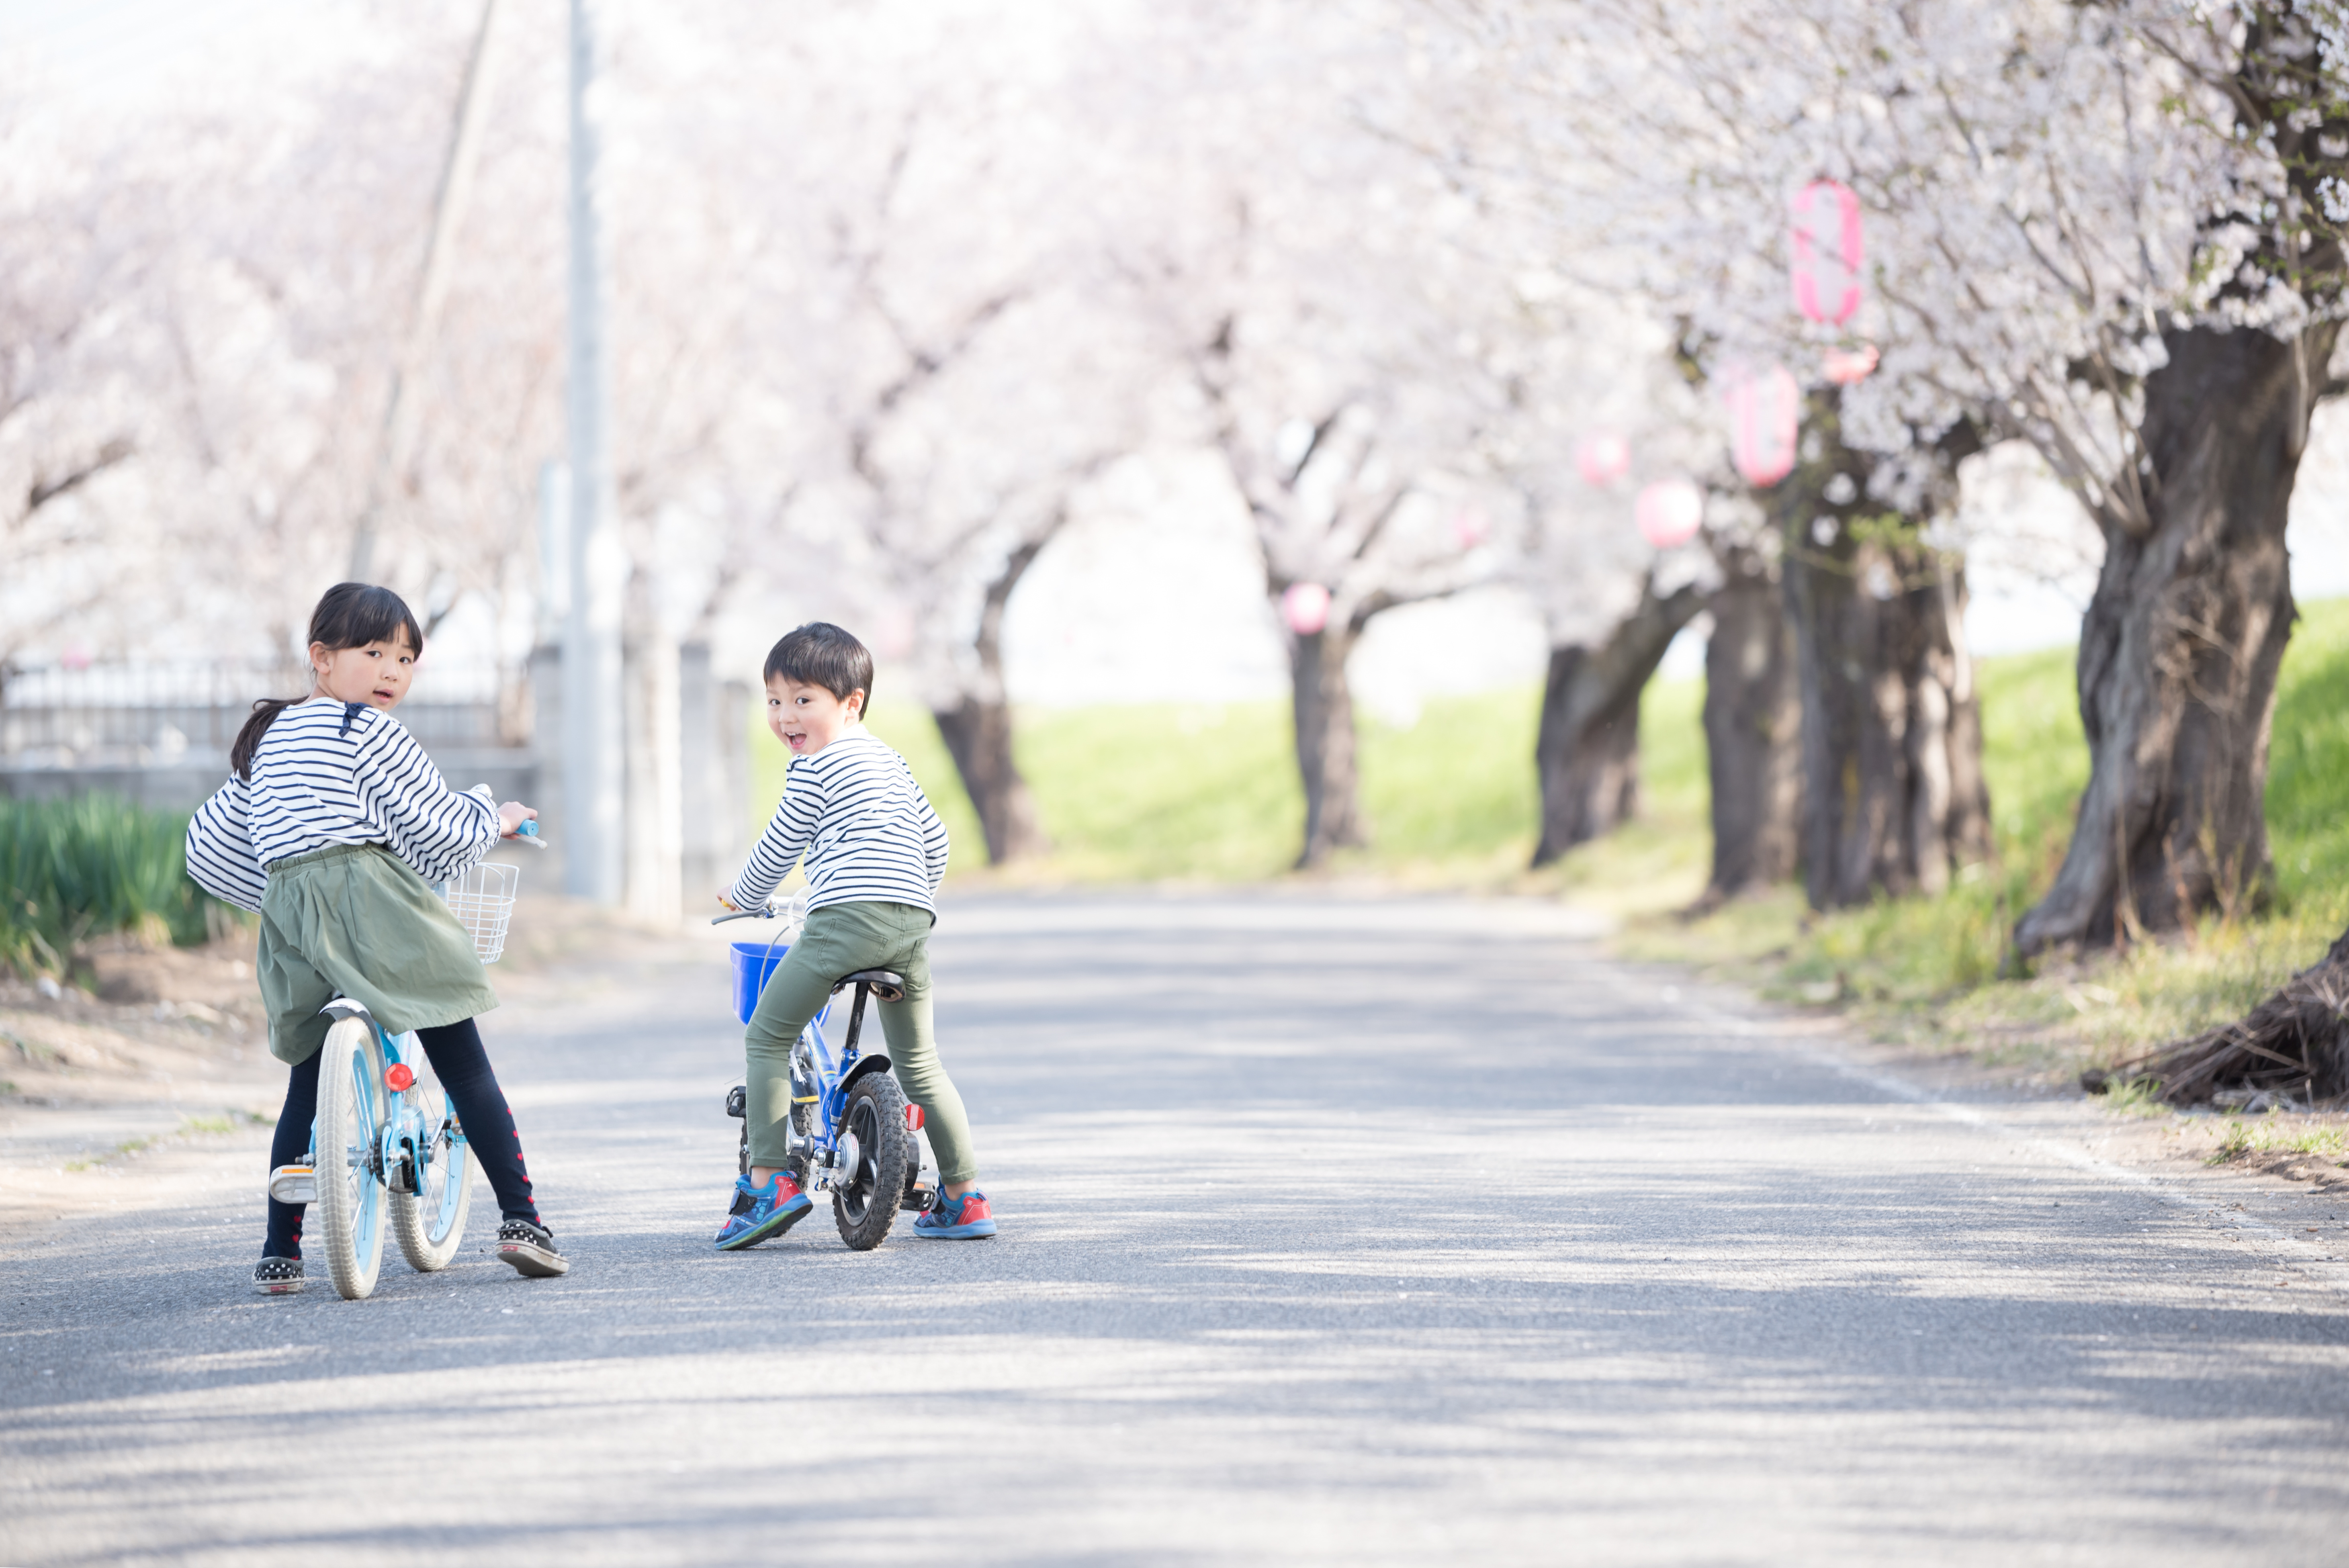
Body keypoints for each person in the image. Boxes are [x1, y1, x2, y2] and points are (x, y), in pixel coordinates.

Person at [185, 582, 567, 1294]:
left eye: (406, 659)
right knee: (464, 1062)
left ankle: (280, 1251)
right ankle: (522, 1221)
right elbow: (436, 824)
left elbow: (207, 845)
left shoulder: (268, 738)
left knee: (307, 1079)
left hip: (292, 920)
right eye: (373, 652)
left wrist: (276, 892)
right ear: (322, 658)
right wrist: (498, 818)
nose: (392, 671)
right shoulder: (366, 730)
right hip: (372, 904)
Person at [714, 620, 994, 1247]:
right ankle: (963, 1197)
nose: (785, 716)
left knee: (767, 1035)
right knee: (921, 1065)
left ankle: (768, 1185)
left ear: (851, 703)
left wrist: (745, 897)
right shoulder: (890, 762)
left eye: (802, 700)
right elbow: (936, 842)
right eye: (774, 701)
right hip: (911, 925)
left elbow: (780, 843)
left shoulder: (814, 768)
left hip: (845, 921)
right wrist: (907, 893)